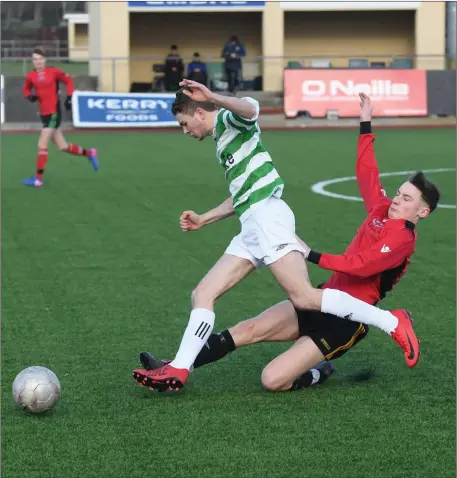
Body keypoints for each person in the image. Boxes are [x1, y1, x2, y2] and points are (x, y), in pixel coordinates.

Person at [137, 93, 441, 393]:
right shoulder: (381, 210)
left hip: (347, 320)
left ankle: (382, 328)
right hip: (326, 293)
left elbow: (362, 267)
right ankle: (179, 363)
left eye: (406, 198)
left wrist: (311, 254)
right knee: (240, 322)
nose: (397, 200)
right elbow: (367, 172)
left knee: (273, 378)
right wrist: (365, 124)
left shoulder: (403, 239)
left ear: (422, 212)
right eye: (399, 193)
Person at [22, 46, 98, 187]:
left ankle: (38, 179)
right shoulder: (31, 75)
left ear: (45, 60)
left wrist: (69, 97)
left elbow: (68, 81)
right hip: (44, 113)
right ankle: (89, 153)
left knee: (42, 144)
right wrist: (29, 96)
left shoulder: (54, 72)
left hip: (54, 112)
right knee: (63, 146)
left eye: (40, 59)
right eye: (35, 59)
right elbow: (25, 88)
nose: (38, 62)